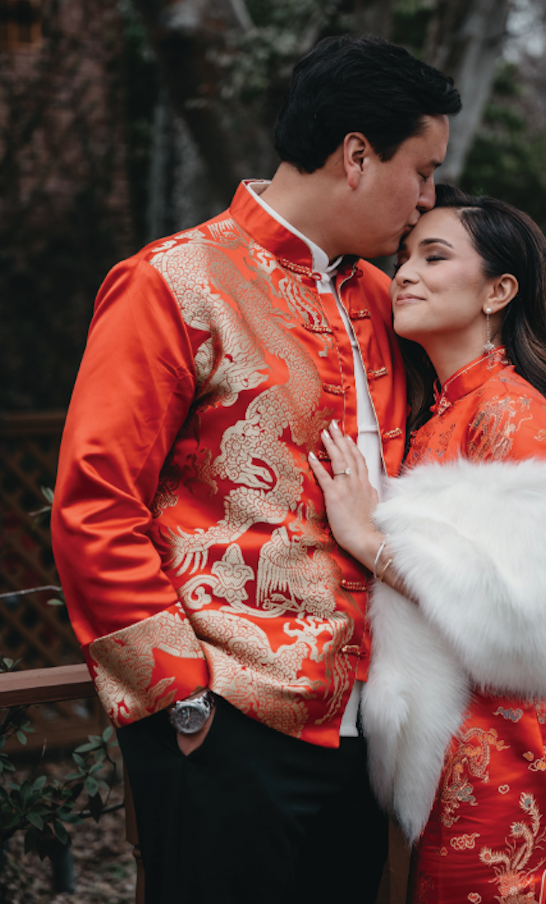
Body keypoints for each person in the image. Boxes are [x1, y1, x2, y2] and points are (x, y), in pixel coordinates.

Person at [50, 35, 461, 904]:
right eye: (421, 170)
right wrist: (182, 703)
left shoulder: (391, 302)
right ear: (356, 155)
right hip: (224, 720)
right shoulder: (172, 282)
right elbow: (94, 506)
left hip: (363, 726)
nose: (429, 199)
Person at [309, 185, 546, 903]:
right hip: (455, 747)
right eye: (405, 255)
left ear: (499, 290)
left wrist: (365, 538)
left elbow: (520, 618)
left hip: (514, 754)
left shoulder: (511, 412)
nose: (404, 273)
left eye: (434, 257)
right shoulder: (446, 410)